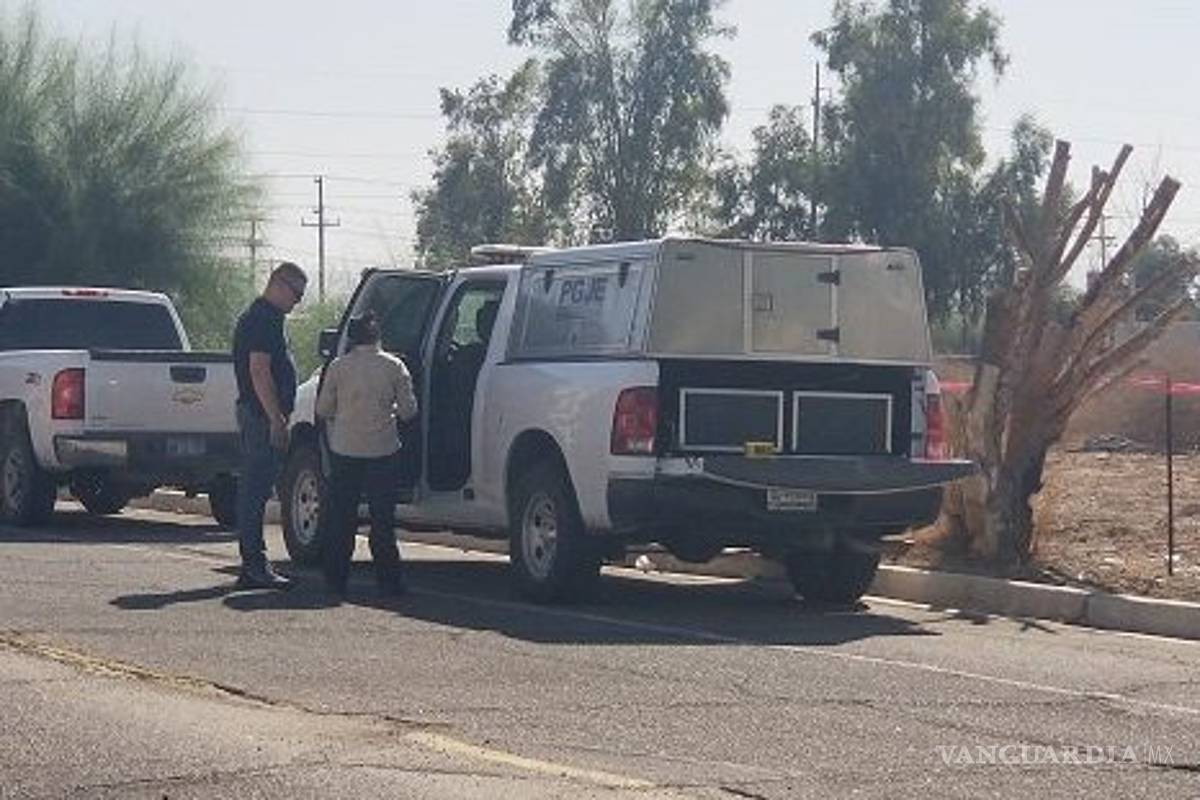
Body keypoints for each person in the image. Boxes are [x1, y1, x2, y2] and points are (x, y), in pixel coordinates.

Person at [316, 311, 418, 598]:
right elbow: (409, 410)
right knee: (382, 519)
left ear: (351, 337)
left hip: (345, 449)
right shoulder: (395, 366)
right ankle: (389, 581)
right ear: (378, 336)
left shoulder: (338, 367)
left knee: (342, 517)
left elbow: (324, 409)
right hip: (383, 450)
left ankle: (335, 580)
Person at [231, 261, 307, 590]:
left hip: (260, 414)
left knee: (257, 490)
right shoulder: (263, 320)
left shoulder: (266, 318)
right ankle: (254, 564)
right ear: (278, 283)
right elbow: (259, 371)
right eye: (296, 293)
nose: (297, 302)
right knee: (255, 490)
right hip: (261, 416)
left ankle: (254, 562)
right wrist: (275, 417)